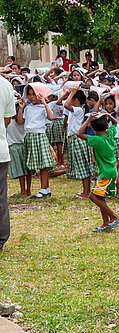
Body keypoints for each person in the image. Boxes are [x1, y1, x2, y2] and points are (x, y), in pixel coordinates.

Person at [76, 112, 119, 232]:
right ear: (107, 126)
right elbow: (115, 122)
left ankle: (114, 216)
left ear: (92, 128)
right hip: (109, 172)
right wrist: (107, 115)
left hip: (106, 174)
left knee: (92, 196)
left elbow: (78, 134)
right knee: (100, 198)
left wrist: (89, 119)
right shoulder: (110, 135)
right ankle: (106, 223)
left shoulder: (97, 140)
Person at [17, 84, 55, 198]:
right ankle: (45, 188)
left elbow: (51, 117)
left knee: (43, 164)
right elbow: (20, 121)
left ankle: (44, 189)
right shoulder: (28, 108)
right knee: (38, 164)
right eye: (29, 94)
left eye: (34, 94)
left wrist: (44, 103)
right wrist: (21, 108)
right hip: (30, 136)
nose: (32, 97)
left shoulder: (43, 108)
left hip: (39, 135)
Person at [63, 89, 97, 200]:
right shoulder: (77, 110)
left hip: (78, 140)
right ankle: (85, 191)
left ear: (76, 100)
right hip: (75, 139)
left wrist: (72, 93)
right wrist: (69, 93)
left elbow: (66, 105)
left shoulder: (78, 109)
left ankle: (86, 192)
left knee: (83, 167)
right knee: (82, 166)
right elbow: (62, 102)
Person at [0, 74, 15, 250]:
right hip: (1, 151)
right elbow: (7, 119)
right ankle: (1, 238)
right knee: (1, 198)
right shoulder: (5, 84)